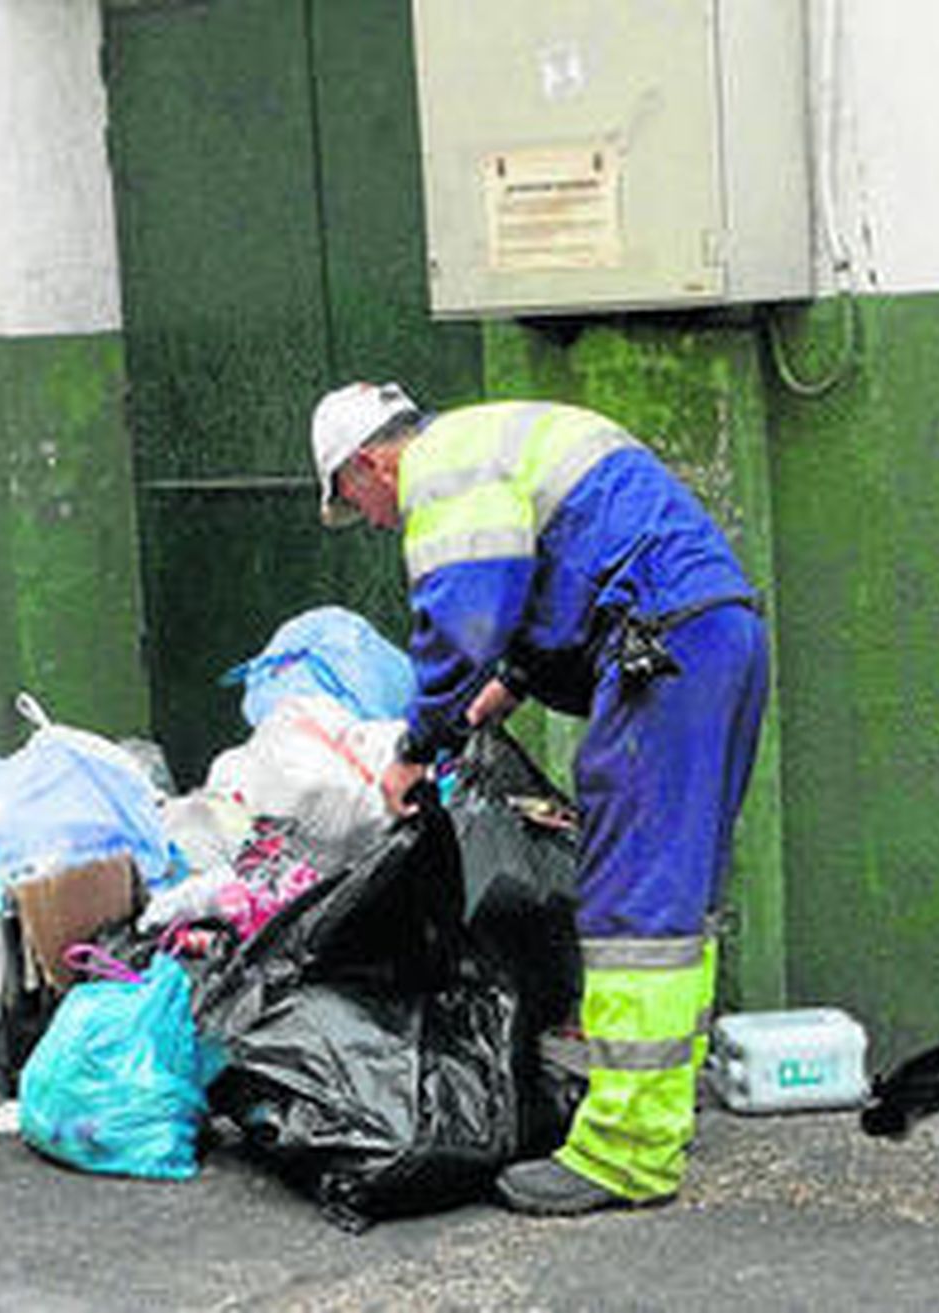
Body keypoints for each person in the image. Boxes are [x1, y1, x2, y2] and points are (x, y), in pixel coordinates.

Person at [309, 380, 769, 1216]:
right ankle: (658, 1112)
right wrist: (503, 693)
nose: (375, 520)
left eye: (357, 500)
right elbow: (569, 570)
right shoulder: (497, 437)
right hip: (717, 636)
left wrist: (419, 744)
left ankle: (625, 1153)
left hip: (656, 656)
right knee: (676, 903)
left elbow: (463, 623)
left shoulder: (441, 471)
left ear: (370, 463)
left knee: (633, 909)